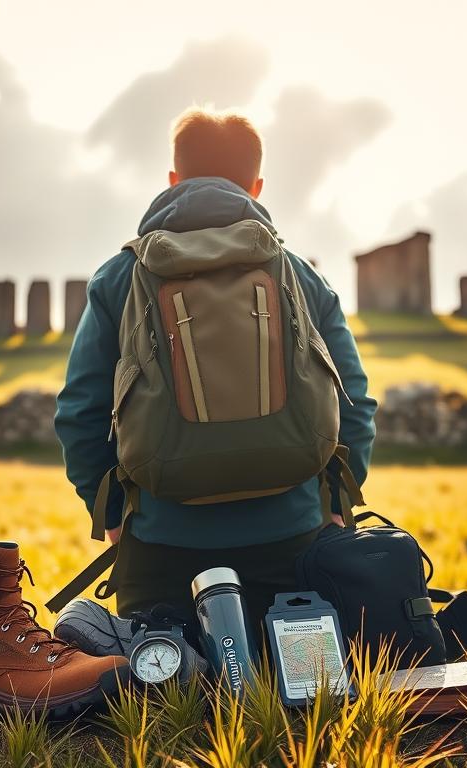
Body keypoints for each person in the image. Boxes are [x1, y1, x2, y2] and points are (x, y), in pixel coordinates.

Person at [54, 107, 377, 634]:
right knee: (302, 690)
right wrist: (337, 508)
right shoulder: (298, 274)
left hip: (161, 550)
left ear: (173, 180)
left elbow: (78, 412)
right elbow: (354, 399)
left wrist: (109, 513)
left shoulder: (120, 276)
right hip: (295, 545)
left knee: (161, 689)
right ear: (257, 184)